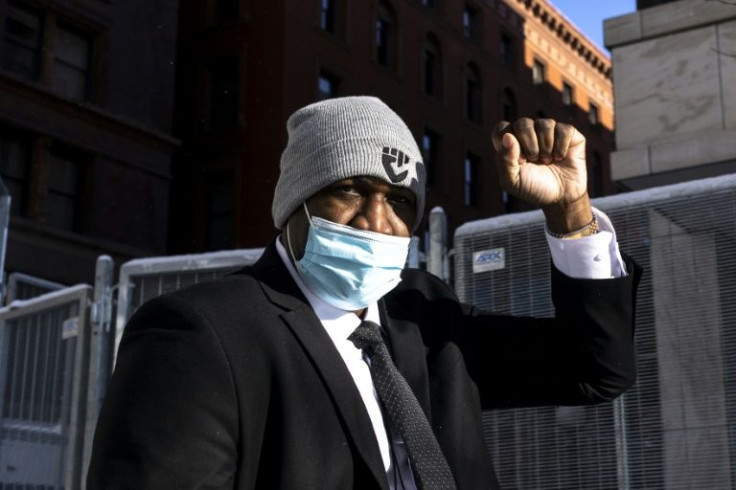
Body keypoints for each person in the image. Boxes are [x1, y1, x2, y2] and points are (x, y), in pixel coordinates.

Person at [87, 96, 640, 489]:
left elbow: (594, 369)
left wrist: (570, 211)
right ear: (293, 206)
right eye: (349, 190)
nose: (377, 220)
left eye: (400, 202)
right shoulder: (198, 335)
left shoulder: (426, 317)